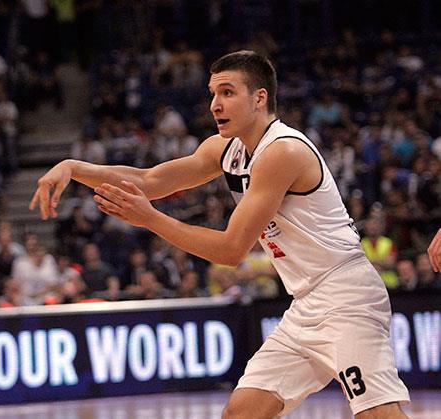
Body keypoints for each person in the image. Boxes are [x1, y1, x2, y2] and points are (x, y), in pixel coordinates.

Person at [30, 50, 410, 418]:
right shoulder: (225, 149)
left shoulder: (283, 151)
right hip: (306, 302)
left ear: (259, 98)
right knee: (241, 413)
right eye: (213, 93)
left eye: (227, 92)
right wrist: (74, 167)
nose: (215, 104)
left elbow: (231, 250)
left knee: (377, 414)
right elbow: (149, 181)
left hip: (346, 296)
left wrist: (150, 219)